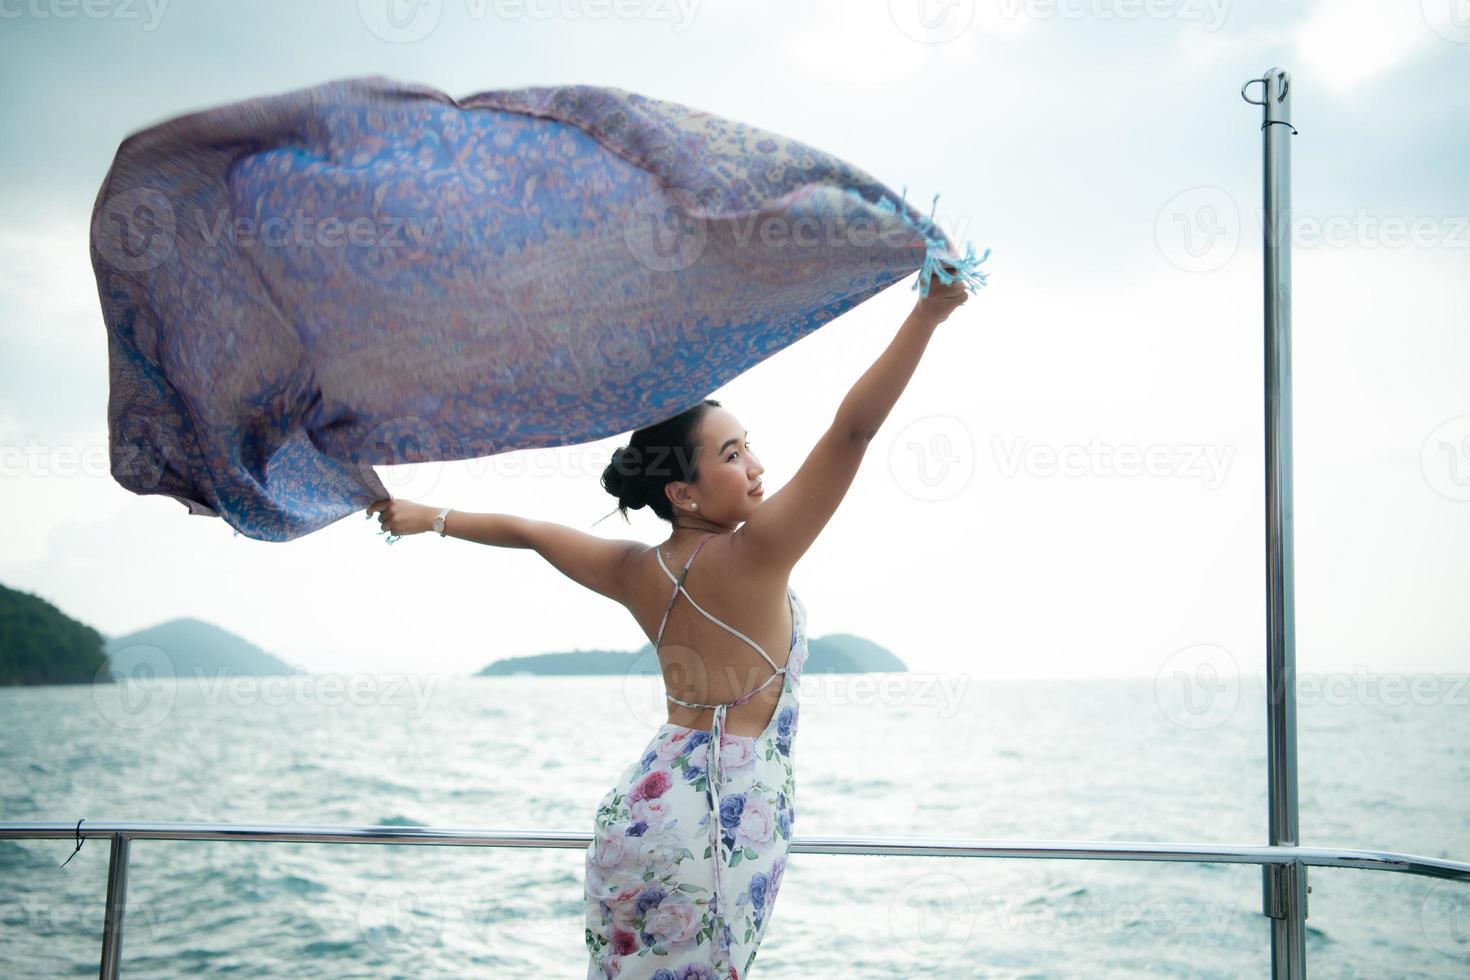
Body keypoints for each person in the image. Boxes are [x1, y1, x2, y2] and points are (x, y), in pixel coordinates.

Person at [365, 267, 970, 977]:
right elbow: (854, 431)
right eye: (731, 453)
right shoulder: (760, 552)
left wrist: (426, 517)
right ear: (682, 492)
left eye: (748, 445)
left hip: (641, 809)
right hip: (717, 823)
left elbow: (528, 529)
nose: (756, 466)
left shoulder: (632, 569)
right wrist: (929, 315)